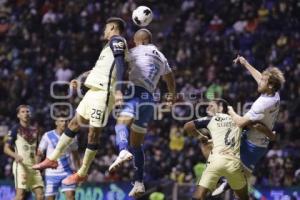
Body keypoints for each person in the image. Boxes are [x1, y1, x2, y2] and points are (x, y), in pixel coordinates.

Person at [33, 17, 128, 185]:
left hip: (104, 92)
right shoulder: (107, 47)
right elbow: (99, 69)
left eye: (106, 27)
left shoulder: (118, 40)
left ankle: (83, 171)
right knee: (73, 124)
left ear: (113, 27)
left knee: (93, 132)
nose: (104, 31)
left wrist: (119, 89)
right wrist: (83, 81)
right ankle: (52, 159)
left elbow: (121, 64)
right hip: (92, 91)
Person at [201, 55, 285, 196]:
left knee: (239, 182)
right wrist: (245, 63)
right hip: (254, 139)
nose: (260, 82)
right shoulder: (275, 94)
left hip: (254, 145)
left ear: (270, 85)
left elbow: (239, 122)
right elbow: (259, 77)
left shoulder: (262, 104)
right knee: (215, 149)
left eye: (263, 81)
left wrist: (230, 109)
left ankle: (225, 181)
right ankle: (224, 179)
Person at [108, 29, 176, 198]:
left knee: (121, 123)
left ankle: (122, 150)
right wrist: (171, 95)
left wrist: (117, 89)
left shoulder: (135, 51)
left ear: (139, 41)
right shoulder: (161, 56)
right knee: (137, 144)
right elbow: (170, 77)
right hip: (151, 99)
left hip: (136, 92)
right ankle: (139, 182)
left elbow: (120, 65)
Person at [184, 99, 249, 200]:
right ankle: (223, 180)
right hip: (233, 163)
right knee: (244, 198)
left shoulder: (212, 119)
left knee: (198, 197)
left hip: (215, 161)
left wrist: (200, 136)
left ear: (221, 108)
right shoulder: (238, 120)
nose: (207, 108)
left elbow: (187, 126)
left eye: (211, 106)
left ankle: (222, 180)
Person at [4, 105, 44, 200]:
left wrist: (39, 160)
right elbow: (6, 149)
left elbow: (38, 150)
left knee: (40, 195)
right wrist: (15, 155)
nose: (26, 113)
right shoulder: (14, 129)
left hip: (34, 167)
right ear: (18, 115)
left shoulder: (36, 130)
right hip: (21, 166)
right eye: (23, 112)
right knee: (20, 195)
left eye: (27, 111)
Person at [37, 117, 81, 200]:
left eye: (66, 121)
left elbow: (76, 156)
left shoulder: (72, 137)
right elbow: (39, 154)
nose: (64, 123)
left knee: (71, 196)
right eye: (61, 121)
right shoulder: (47, 136)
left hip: (67, 172)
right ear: (56, 123)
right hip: (51, 173)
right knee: (50, 198)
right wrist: (36, 170)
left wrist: (79, 172)